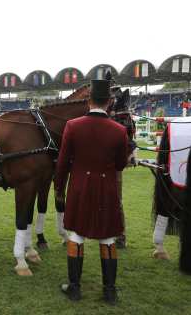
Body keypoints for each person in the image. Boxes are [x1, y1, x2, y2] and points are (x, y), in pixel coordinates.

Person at [54, 78, 129, 305]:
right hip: (106, 189)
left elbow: (63, 163)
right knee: (107, 239)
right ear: (109, 102)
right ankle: (109, 291)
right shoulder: (119, 130)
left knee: (76, 235)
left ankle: (74, 288)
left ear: (88, 101)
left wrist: (59, 188)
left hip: (79, 188)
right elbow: (120, 165)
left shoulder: (73, 126)